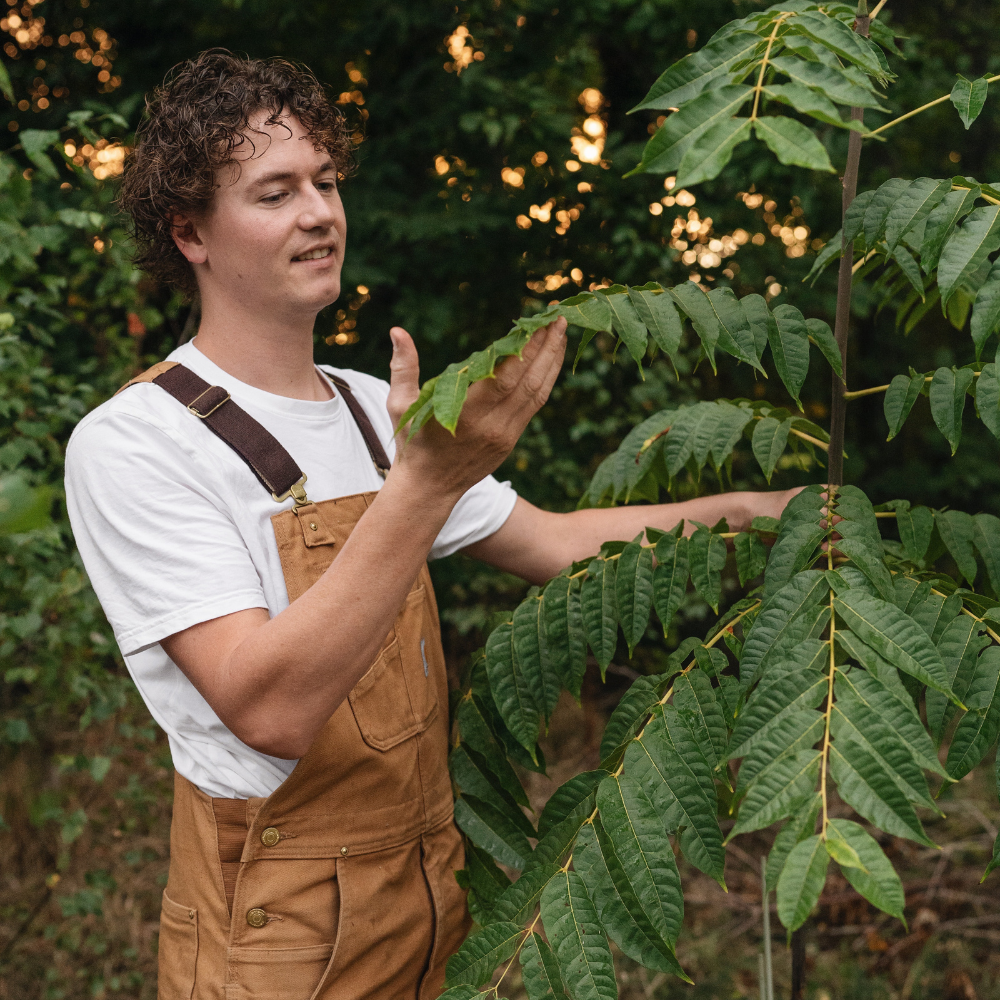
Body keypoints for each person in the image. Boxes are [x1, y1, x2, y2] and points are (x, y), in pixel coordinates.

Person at [65, 51, 801, 1000]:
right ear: (190, 233)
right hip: (278, 934)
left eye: (327, 183)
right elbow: (269, 707)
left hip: (434, 895)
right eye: (275, 192)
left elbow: (550, 543)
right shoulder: (138, 441)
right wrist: (428, 482)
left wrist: (754, 516)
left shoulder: (375, 409)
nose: (321, 213)